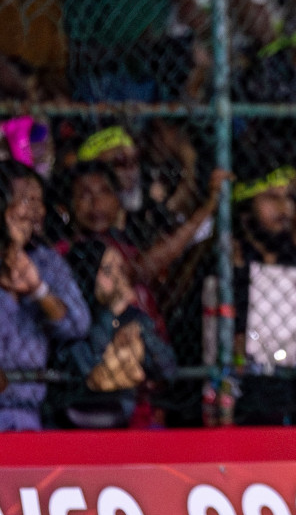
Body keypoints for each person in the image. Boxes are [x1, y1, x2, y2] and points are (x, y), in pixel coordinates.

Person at [50, 239, 176, 428]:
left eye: (120, 269)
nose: (118, 277)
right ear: (89, 274)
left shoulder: (134, 317)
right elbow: (91, 373)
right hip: (79, 418)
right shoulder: (74, 324)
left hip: (128, 420)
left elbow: (168, 370)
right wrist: (110, 315)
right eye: (108, 271)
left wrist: (141, 334)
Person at [0, 169, 88, 430]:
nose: (35, 212)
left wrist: (38, 290)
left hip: (30, 412)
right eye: (26, 200)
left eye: (40, 201)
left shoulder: (46, 261)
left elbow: (77, 324)